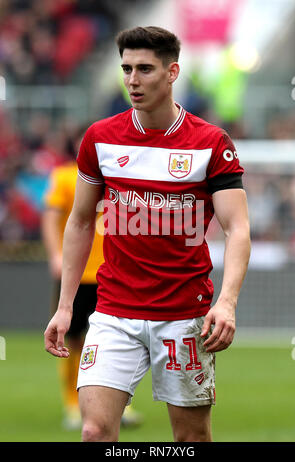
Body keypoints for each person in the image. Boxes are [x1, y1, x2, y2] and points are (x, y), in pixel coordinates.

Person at [44, 26, 251, 442]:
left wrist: (226, 303)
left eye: (144, 69)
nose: (132, 80)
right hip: (114, 312)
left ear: (172, 72)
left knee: (190, 439)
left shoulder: (211, 143)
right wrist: (65, 306)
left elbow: (237, 227)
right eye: (126, 69)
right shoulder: (100, 139)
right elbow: (81, 221)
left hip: (183, 316)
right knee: (94, 431)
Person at [42, 158, 143, 429]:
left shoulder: (122, 174)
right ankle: (73, 405)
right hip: (78, 274)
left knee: (118, 339)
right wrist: (55, 255)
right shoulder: (64, 176)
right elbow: (51, 217)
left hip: (114, 272)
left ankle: (120, 404)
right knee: (72, 340)